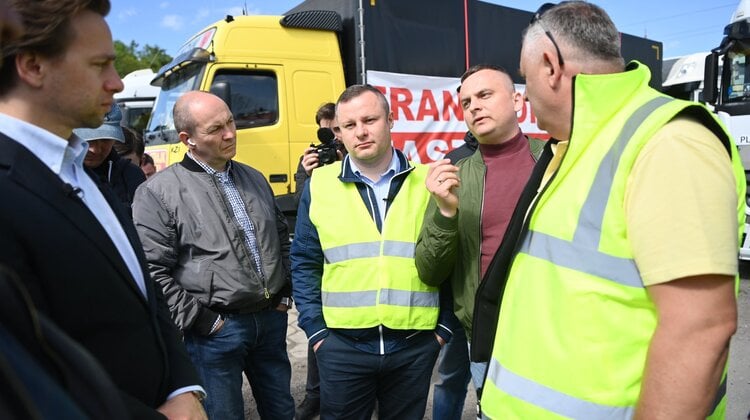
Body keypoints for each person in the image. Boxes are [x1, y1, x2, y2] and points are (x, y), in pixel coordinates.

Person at [476, 2, 745, 419]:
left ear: (551, 66)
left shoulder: (668, 143)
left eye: (525, 79)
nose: (526, 95)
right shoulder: (575, 145)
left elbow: (700, 330)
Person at [0, 1, 207, 419]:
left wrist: (184, 384)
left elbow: (144, 293)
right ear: (33, 66)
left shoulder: (81, 171)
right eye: (100, 65)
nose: (115, 83)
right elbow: (30, 378)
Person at [291, 84, 458, 419]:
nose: (360, 132)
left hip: (414, 348)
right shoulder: (320, 184)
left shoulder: (427, 182)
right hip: (342, 348)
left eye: (370, 120)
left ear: (390, 120)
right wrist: (317, 333)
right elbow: (305, 262)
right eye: (349, 126)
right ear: (338, 132)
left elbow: (454, 261)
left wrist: (443, 331)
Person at [133, 90, 296, 420]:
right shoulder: (158, 192)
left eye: (231, 122)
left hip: (269, 320)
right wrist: (204, 321)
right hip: (216, 332)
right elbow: (151, 269)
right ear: (187, 138)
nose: (230, 134)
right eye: (215, 129)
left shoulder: (253, 177)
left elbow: (281, 237)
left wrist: (283, 294)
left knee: (281, 411)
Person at [415, 64, 545, 419]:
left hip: (550, 328)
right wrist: (445, 213)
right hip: (484, 334)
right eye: (466, 102)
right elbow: (429, 270)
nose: (474, 106)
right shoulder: (454, 174)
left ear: (517, 101)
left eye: (485, 95)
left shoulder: (554, 161)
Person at [294, 102, 340, 420]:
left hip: (351, 259)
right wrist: (309, 178)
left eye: (337, 130)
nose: (332, 139)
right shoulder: (313, 160)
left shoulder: (359, 154)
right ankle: (314, 395)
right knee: (318, 334)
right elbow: (301, 209)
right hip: (321, 257)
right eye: (326, 131)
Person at [75, 103, 146, 217]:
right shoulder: (52, 173)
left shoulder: (132, 175)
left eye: (105, 140)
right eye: (88, 139)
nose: (95, 149)